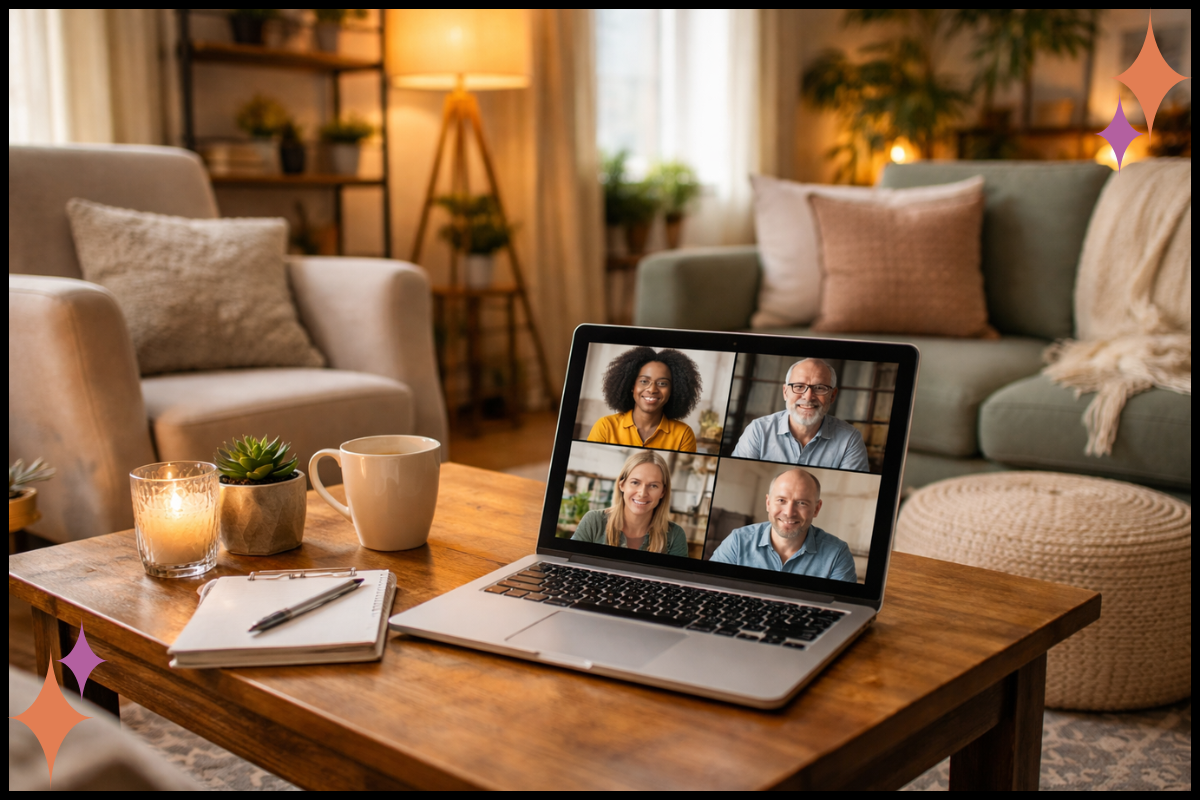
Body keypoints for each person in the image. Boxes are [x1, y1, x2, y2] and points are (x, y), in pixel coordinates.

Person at [709, 468, 856, 581]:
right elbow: (710, 587)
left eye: (801, 503)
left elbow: (843, 606)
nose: (789, 512)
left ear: (817, 508)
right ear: (768, 503)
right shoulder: (738, 541)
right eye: (781, 500)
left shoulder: (837, 554)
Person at [731, 358, 869, 471]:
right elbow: (738, 474)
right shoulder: (758, 430)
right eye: (798, 386)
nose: (808, 397)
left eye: (820, 388)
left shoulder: (850, 439)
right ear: (785, 392)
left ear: (832, 396)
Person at [571, 450, 689, 557]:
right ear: (622, 485)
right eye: (635, 483)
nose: (642, 493)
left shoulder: (675, 535)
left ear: (662, 492)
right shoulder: (594, 521)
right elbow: (572, 563)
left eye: (653, 486)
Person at [586, 346, 700, 452]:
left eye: (662, 383)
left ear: (673, 390)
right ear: (632, 386)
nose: (652, 389)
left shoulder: (683, 434)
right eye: (644, 381)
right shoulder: (606, 426)